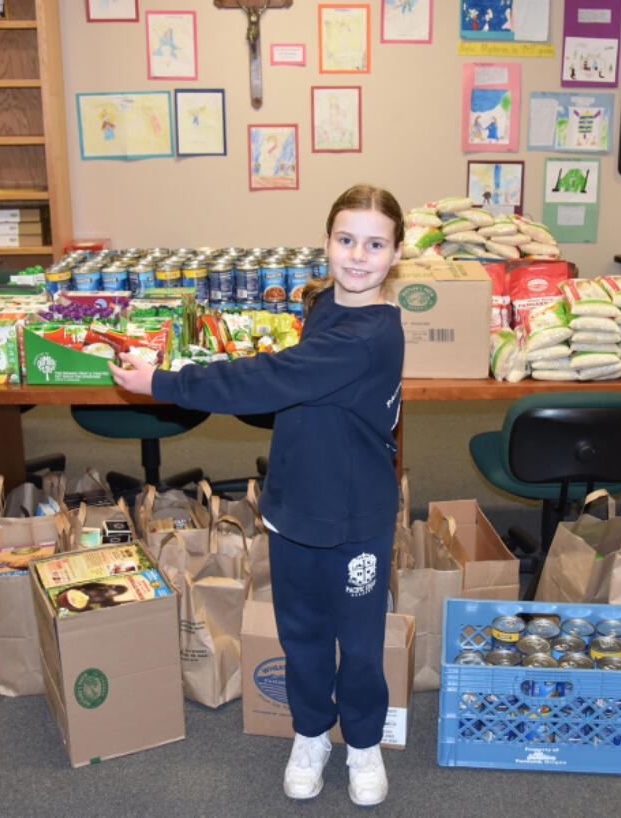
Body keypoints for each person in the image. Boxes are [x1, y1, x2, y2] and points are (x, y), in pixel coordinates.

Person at [109, 183, 405, 807]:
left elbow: (273, 379)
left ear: (396, 253)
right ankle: (309, 734)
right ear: (325, 242)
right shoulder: (325, 303)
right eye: (345, 240)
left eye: (375, 245)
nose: (357, 256)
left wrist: (161, 381)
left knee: (358, 642)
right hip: (295, 506)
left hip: (357, 518)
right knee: (299, 633)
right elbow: (294, 372)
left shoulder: (370, 335)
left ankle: (364, 742)